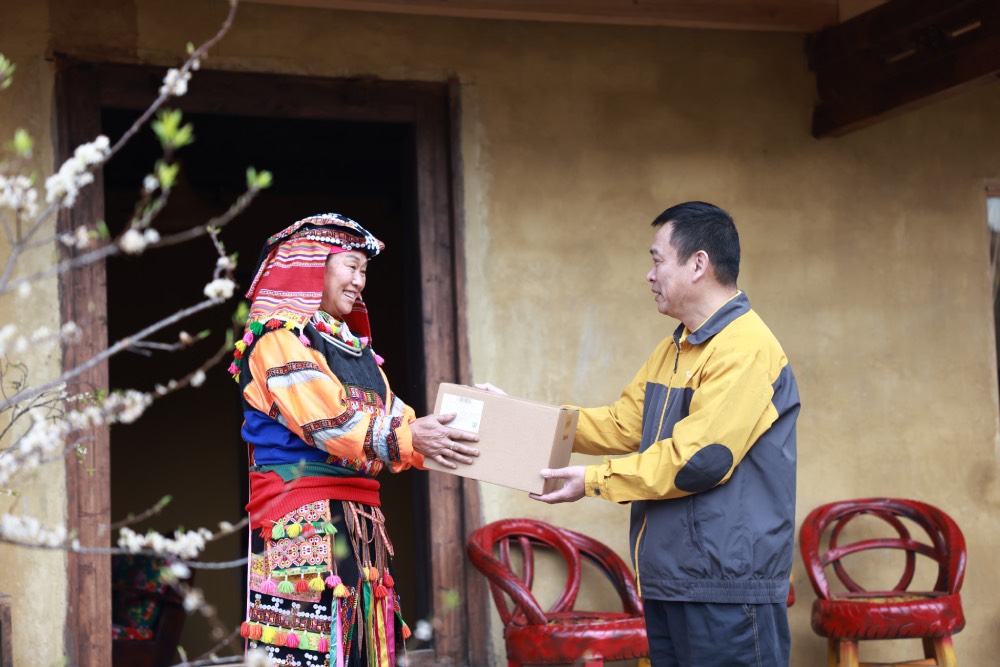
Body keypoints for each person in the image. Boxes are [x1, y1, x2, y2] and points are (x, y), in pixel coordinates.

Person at [532, 202, 800, 667]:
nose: (649, 275)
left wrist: (592, 481)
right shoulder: (676, 347)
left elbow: (699, 460)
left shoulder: (745, 348)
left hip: (726, 589)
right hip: (673, 581)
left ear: (698, 264)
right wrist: (524, 420)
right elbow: (622, 424)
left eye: (657, 260)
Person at [231, 213, 479, 666]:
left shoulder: (353, 348)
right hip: (303, 515)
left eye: (364, 271)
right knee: (312, 649)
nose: (359, 282)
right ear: (313, 265)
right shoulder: (279, 339)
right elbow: (330, 424)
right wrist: (411, 437)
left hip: (360, 519)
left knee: (365, 648)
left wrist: (464, 420)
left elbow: (398, 419)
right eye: (351, 266)